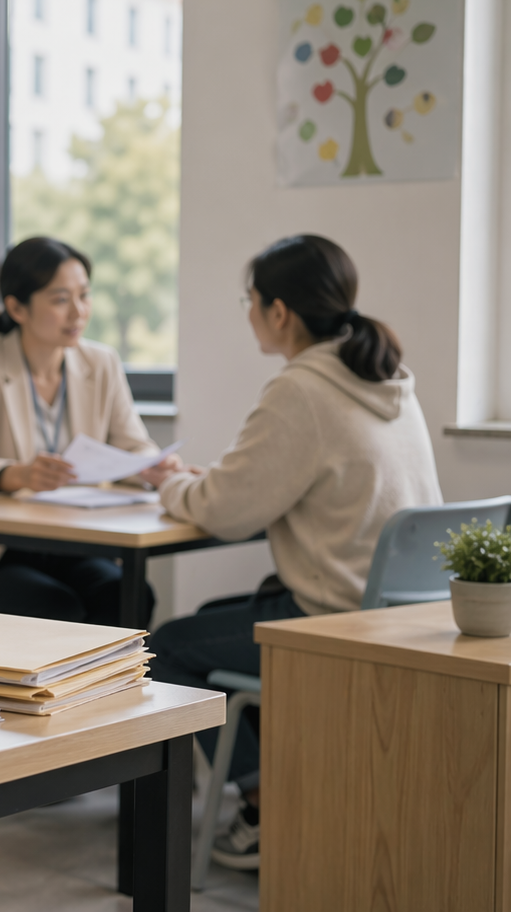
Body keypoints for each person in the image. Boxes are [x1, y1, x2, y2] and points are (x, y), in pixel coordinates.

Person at [142, 234, 442, 870]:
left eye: (250, 301)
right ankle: (283, 790)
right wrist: (209, 485)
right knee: (228, 610)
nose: (248, 313)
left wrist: (171, 483)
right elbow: (263, 486)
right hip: (398, 608)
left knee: (166, 646)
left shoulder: (301, 389)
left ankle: (263, 805)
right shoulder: (388, 379)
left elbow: (225, 511)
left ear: (279, 311)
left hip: (335, 617)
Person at [0, 237, 176, 624]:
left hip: (74, 540)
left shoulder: (101, 362)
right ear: (17, 307)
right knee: (55, 608)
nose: (78, 312)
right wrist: (21, 474)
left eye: (84, 296)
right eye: (60, 300)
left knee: (128, 594)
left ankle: (110, 688)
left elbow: (133, 445)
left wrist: (151, 467)